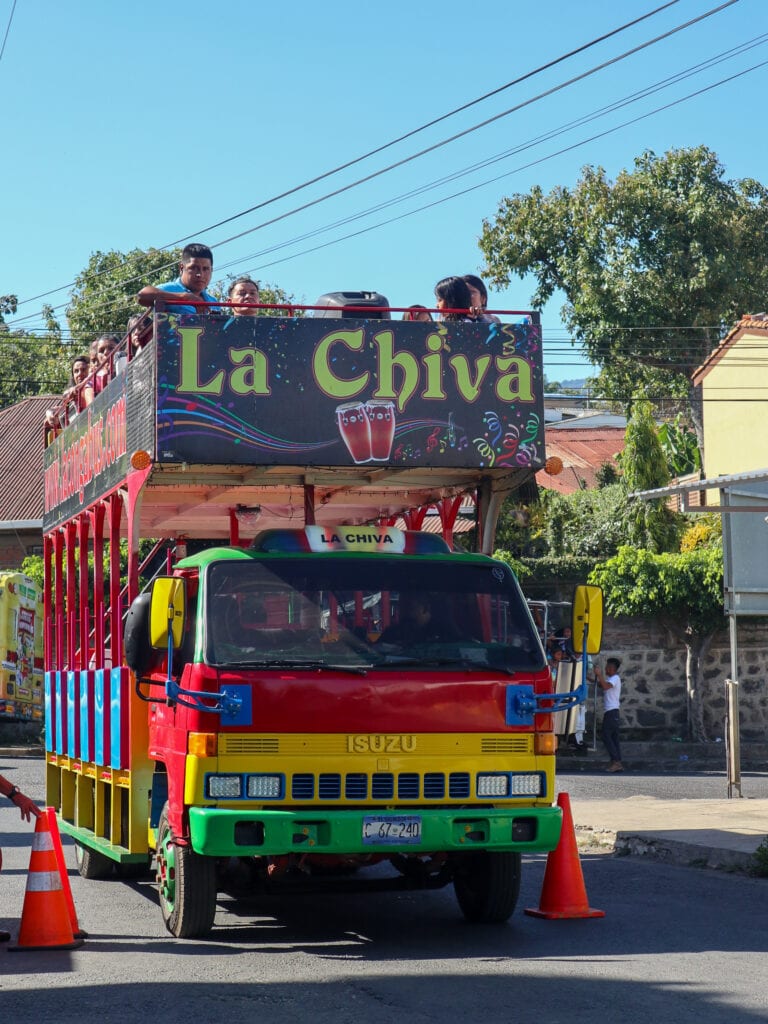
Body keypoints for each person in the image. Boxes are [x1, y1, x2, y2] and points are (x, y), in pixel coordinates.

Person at [137, 242, 218, 314]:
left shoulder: (213, 302)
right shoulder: (168, 289)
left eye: (205, 269)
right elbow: (142, 296)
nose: (200, 274)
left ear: (211, 270)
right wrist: (183, 297)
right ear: (181, 268)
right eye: (194, 268)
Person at [378, 592, 453, 646]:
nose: (404, 613)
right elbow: (375, 651)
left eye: (409, 608)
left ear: (425, 608)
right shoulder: (392, 632)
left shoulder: (443, 631)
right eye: (401, 608)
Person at [45, 354, 94, 432]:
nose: (80, 374)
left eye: (83, 370)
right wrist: (49, 412)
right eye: (76, 371)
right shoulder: (70, 397)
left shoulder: (92, 388)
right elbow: (57, 412)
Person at [595, 656, 623, 772]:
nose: (606, 669)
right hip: (612, 713)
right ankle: (617, 762)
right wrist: (594, 678)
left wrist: (599, 674)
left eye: (607, 667)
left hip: (611, 712)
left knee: (606, 736)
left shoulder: (615, 678)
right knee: (613, 738)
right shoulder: (611, 679)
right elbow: (601, 684)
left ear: (612, 668)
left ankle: (616, 761)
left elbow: (605, 686)